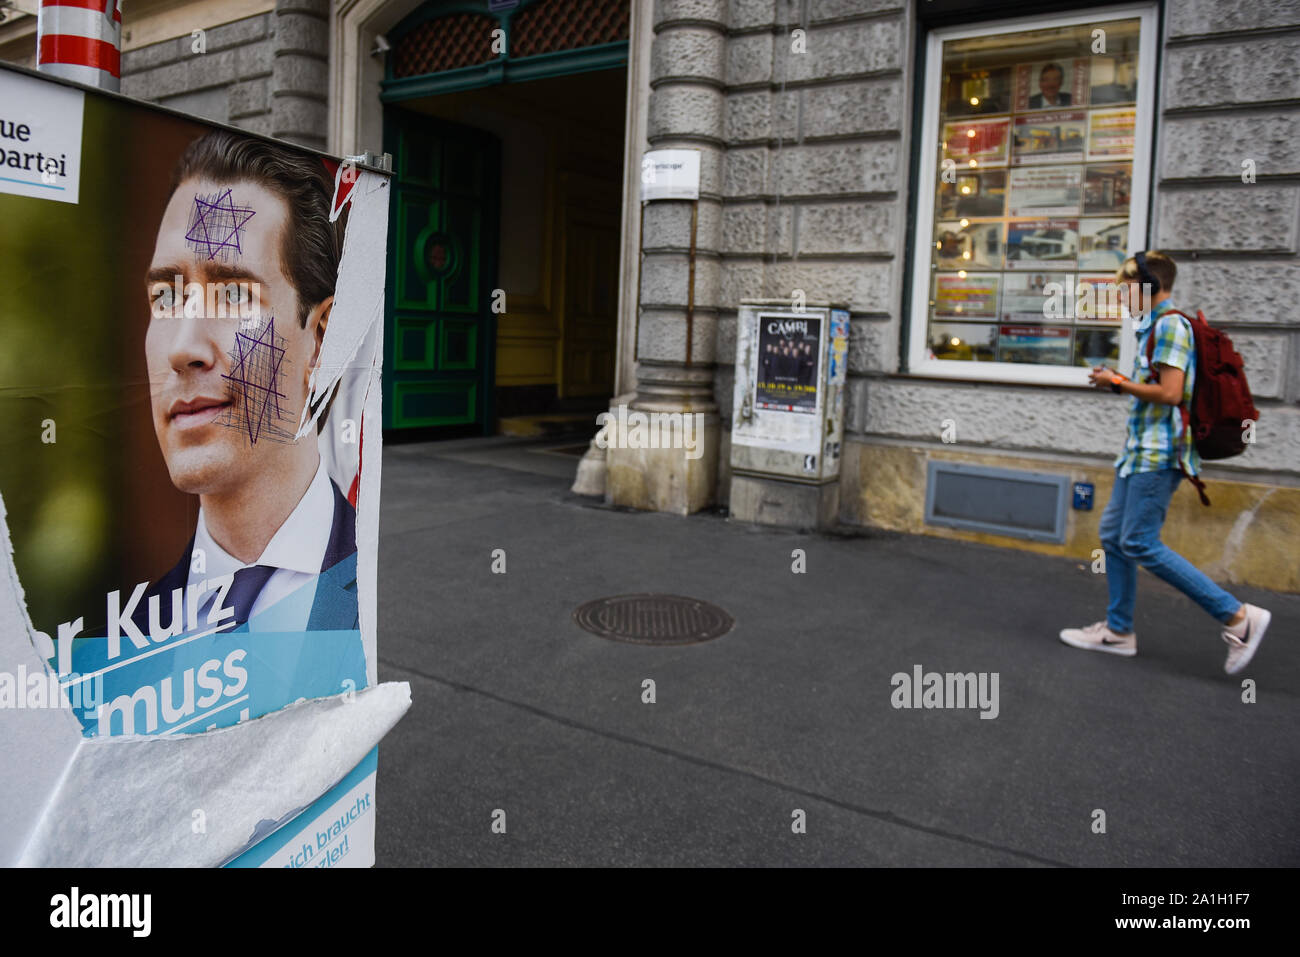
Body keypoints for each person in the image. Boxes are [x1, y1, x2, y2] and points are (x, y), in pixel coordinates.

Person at [134, 130, 358, 636]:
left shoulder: (369, 576)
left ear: (320, 340)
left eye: (233, 295)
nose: (182, 348)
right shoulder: (118, 634)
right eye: (167, 298)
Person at [1061, 251, 1270, 674]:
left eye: (1125, 289)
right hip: (1138, 453)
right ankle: (1118, 632)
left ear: (1149, 288)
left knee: (1139, 542)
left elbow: (1173, 393)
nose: (1121, 298)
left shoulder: (1170, 325)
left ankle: (1239, 617)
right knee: (1114, 536)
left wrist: (1117, 383)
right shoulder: (1153, 327)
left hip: (1159, 455)